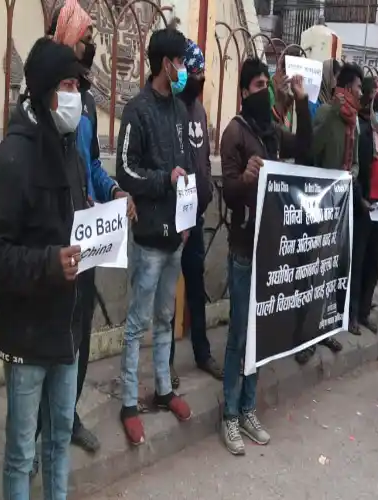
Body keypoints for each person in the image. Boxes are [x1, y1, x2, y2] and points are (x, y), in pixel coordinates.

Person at [0, 38, 87, 499]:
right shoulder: (11, 159)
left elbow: (74, 223)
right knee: (23, 451)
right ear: (43, 90)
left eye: (78, 84)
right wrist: (47, 263)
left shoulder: (72, 154)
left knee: (59, 439)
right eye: (66, 84)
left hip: (67, 330)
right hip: (26, 333)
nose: (76, 94)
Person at [42, 0, 135, 456]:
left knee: (79, 331)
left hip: (88, 238)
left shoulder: (89, 103)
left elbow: (94, 164)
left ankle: (69, 414)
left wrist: (113, 189)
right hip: (52, 241)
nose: (92, 43)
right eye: (85, 35)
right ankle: (41, 431)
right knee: (51, 341)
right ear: (65, 38)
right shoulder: (41, 98)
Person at [220, 57, 311, 454]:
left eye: (266, 86)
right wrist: (246, 178)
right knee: (240, 336)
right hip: (244, 249)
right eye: (257, 86)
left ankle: (248, 408)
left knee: (259, 337)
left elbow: (305, 147)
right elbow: (228, 192)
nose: (263, 91)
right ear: (243, 92)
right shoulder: (234, 134)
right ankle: (228, 414)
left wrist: (304, 102)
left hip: (271, 248)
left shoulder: (272, 132)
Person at [115, 28, 194, 446]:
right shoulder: (137, 111)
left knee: (166, 319)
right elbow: (124, 172)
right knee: (137, 324)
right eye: (181, 62)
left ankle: (164, 389)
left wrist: (186, 218)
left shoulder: (180, 111)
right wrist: (165, 179)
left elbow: (185, 170)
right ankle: (128, 402)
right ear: (166, 64)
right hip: (147, 239)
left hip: (174, 239)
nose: (184, 70)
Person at [168, 39, 221, 387]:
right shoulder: (169, 109)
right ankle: (166, 365)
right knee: (167, 297)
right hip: (171, 222)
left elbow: (201, 160)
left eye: (203, 72)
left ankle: (202, 352)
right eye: (194, 71)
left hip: (197, 218)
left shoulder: (200, 112)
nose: (199, 78)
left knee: (197, 289)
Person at [309, 61, 364, 341]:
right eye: (357, 88)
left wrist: (349, 176)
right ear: (344, 88)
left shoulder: (354, 123)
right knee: (315, 271)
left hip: (342, 208)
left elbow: (354, 164)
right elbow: (310, 155)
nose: (361, 94)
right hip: (320, 206)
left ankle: (323, 330)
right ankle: (307, 335)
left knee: (331, 270)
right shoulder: (326, 115)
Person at [347, 86, 378, 337]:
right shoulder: (364, 134)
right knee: (357, 262)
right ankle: (352, 313)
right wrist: (360, 200)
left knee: (373, 264)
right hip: (363, 207)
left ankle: (365, 311)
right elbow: (355, 171)